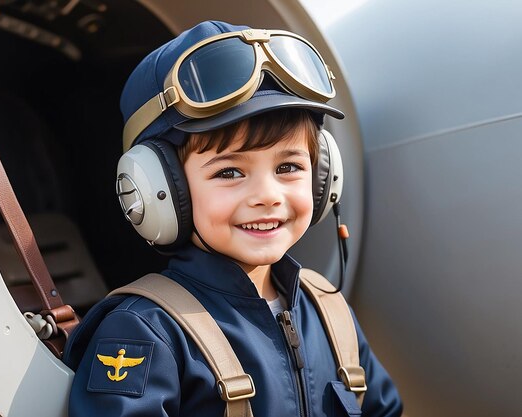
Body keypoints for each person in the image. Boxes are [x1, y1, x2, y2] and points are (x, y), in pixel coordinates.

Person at [67, 20, 403, 417]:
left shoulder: (328, 311)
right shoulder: (145, 332)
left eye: (289, 167)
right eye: (229, 172)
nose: (267, 196)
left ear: (324, 177)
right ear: (159, 189)